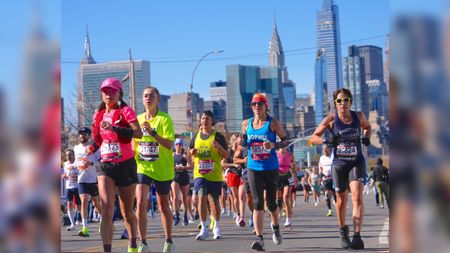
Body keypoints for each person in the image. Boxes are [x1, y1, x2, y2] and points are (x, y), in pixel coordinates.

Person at [309, 88, 371, 250]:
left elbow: (368, 127)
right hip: (339, 164)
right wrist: (325, 141)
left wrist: (367, 137)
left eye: (346, 100)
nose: (343, 103)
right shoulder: (330, 119)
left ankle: (357, 235)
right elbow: (313, 138)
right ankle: (343, 231)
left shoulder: (359, 116)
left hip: (356, 161)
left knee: (357, 196)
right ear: (335, 103)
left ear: (351, 102)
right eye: (339, 101)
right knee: (341, 200)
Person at [91, 77, 143, 252]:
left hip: (125, 164)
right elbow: (98, 140)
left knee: (127, 211)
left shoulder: (125, 111)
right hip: (105, 164)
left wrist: (115, 128)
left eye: (112, 91)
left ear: (120, 93)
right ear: (102, 94)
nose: (109, 95)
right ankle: (107, 249)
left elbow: (138, 133)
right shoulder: (98, 115)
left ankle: (133, 243)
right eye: (105, 91)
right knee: (106, 208)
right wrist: (88, 151)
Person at [241, 93, 290, 251]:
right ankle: (259, 238)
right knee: (257, 203)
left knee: (271, 203)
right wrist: (242, 146)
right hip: (253, 167)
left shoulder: (272, 123)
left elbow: (285, 140)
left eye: (260, 104)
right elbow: (243, 143)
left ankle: (275, 227)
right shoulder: (246, 124)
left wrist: (273, 145)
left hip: (270, 168)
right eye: (254, 104)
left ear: (265, 106)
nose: (257, 106)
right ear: (251, 106)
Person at [133, 86, 175, 252]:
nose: (148, 98)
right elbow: (134, 144)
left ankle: (169, 240)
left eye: (151, 95)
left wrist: (153, 133)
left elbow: (169, 144)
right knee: (141, 202)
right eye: (145, 96)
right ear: (142, 100)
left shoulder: (165, 119)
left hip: (162, 168)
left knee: (163, 205)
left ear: (158, 99)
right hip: (143, 166)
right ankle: (143, 242)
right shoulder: (137, 119)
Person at [188, 110, 229, 241]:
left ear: (212, 121)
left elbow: (226, 155)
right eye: (202, 118)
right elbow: (189, 153)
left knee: (214, 200)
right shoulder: (195, 137)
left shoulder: (218, 137)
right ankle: (204, 228)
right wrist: (191, 152)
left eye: (207, 118)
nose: (204, 120)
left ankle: (216, 226)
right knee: (201, 197)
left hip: (215, 174)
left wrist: (219, 147)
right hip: (200, 174)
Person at [74, 127, 102, 237]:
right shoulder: (76, 148)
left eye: (84, 134)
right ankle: (85, 228)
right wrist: (74, 166)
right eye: (80, 133)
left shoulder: (95, 148)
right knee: (84, 201)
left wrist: (90, 163)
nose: (81, 135)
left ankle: (103, 221)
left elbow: (100, 162)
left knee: (96, 203)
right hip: (81, 180)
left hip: (93, 179)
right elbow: (77, 162)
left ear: (89, 136)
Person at [222, 134, 246, 227]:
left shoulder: (242, 149)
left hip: (242, 174)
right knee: (235, 197)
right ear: (233, 141)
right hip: (232, 174)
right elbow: (223, 164)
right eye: (237, 140)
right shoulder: (229, 151)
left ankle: (242, 217)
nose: (239, 142)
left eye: (240, 140)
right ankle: (237, 214)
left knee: (242, 196)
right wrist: (234, 165)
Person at [171, 138, 193, 226]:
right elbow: (168, 166)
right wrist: (174, 167)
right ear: (175, 145)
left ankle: (185, 216)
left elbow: (191, 166)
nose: (178, 146)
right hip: (175, 177)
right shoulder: (172, 155)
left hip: (184, 177)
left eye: (180, 144)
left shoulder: (184, 156)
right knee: (175, 197)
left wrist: (183, 167)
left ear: (182, 146)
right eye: (177, 144)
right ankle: (176, 215)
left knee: (185, 197)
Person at [276, 147, 297, 227]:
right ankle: (277, 217)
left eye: (284, 145)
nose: (282, 147)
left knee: (286, 197)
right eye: (280, 145)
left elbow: (294, 166)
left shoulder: (290, 155)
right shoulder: (275, 154)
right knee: (278, 199)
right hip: (278, 177)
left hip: (287, 177)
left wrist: (295, 176)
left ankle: (288, 219)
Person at [62, 149, 81, 232]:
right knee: (69, 204)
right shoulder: (65, 164)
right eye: (67, 155)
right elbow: (66, 174)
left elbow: (81, 172)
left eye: (70, 154)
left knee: (79, 206)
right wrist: (65, 176)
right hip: (68, 187)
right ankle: (72, 224)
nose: (68, 156)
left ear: (74, 155)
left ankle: (82, 221)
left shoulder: (77, 163)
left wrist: (77, 176)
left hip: (77, 186)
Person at [319, 145, 336, 217]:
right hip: (326, 179)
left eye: (326, 150)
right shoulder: (322, 158)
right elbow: (320, 167)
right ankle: (330, 210)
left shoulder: (333, 156)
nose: (325, 151)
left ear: (329, 149)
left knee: (335, 194)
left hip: (334, 178)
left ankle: (337, 204)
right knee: (327, 194)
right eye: (324, 150)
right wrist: (321, 174)